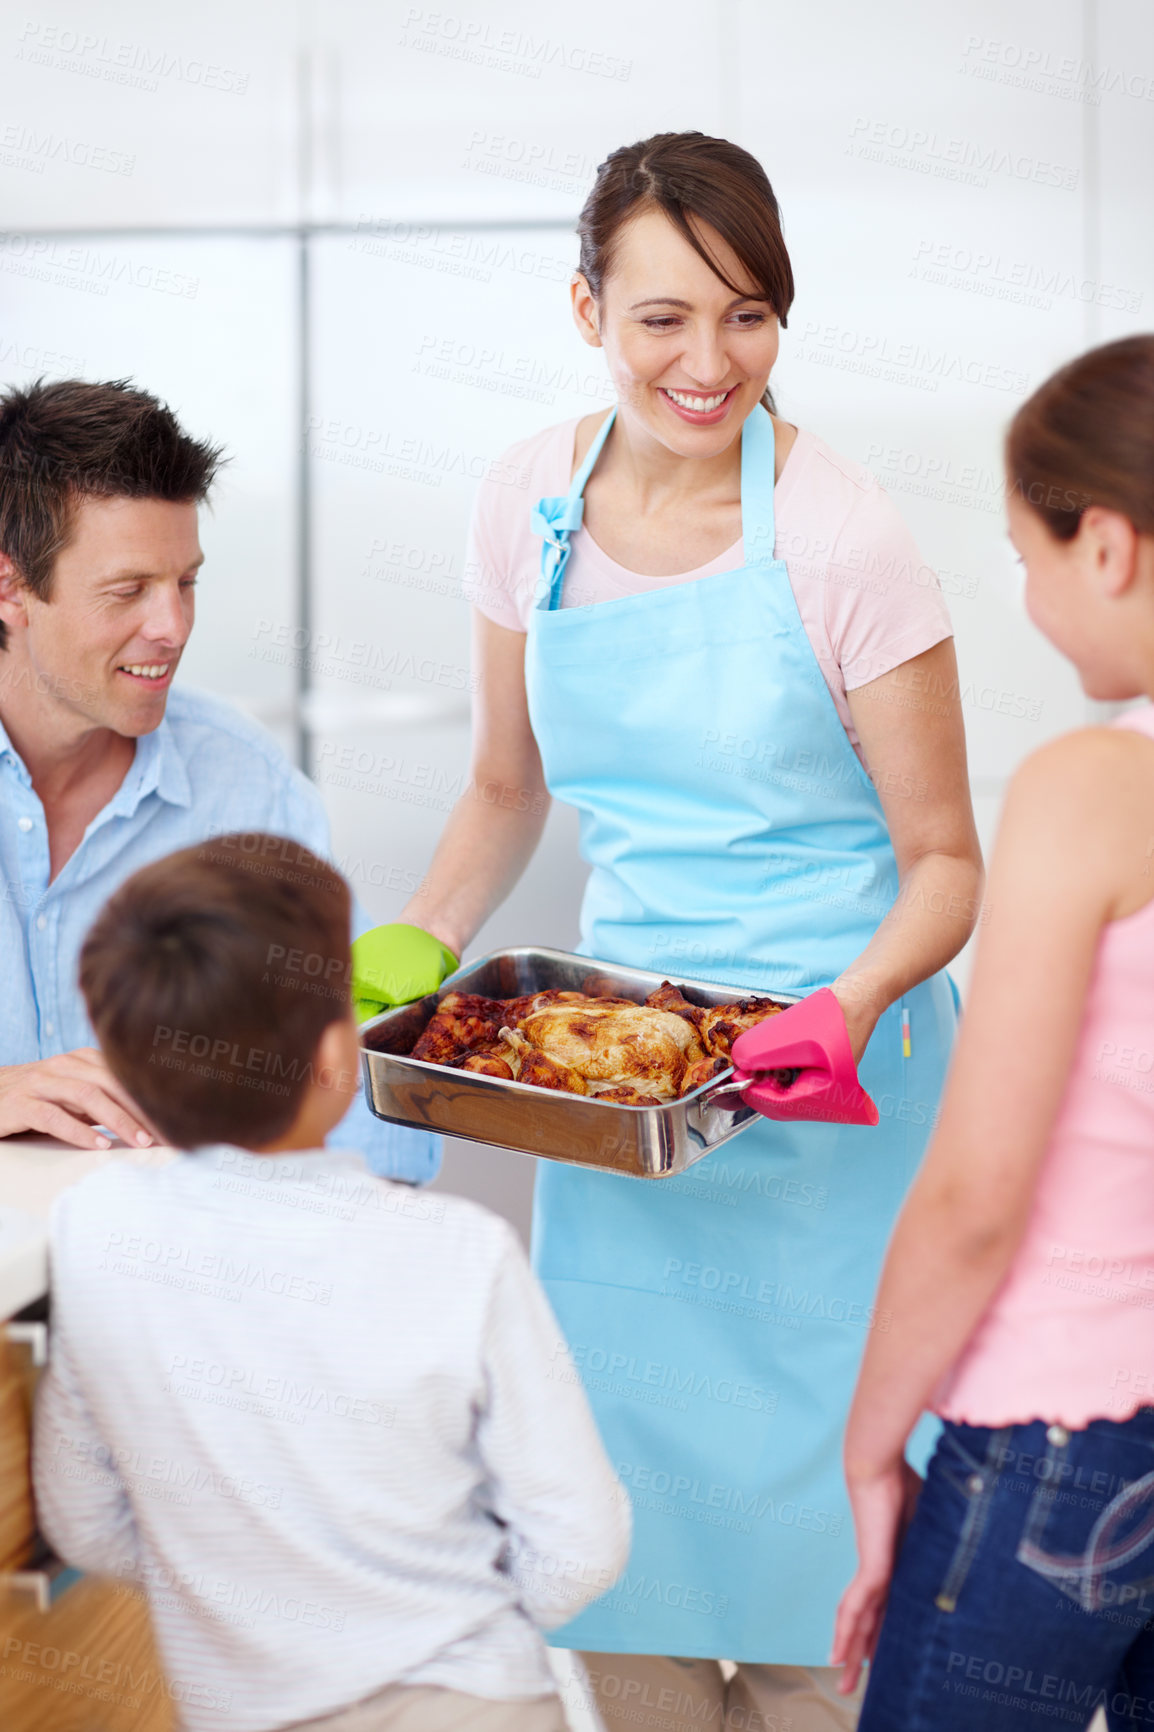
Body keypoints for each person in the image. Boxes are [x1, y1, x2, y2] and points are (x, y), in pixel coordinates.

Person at [355, 132, 983, 1731]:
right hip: (619, 1106)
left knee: (812, 1600)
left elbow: (942, 863)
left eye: (748, 317)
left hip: (834, 1113)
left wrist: (841, 1006)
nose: (709, 365)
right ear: (585, 310)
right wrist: (411, 954)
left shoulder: (840, 536)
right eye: (661, 320)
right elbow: (505, 787)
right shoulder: (529, 504)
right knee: (618, 1563)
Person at [33, 834, 630, 1732]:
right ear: (337, 1055)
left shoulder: (94, 1233)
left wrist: (239, 1601)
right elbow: (579, 1547)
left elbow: (83, 1525)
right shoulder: (460, 1255)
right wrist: (439, 1615)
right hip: (469, 1698)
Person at [831, 333, 1154, 1729]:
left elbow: (975, 1194)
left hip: (1059, 1445)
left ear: (1105, 545)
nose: (1024, 600)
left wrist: (866, 1445)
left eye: (1024, 559)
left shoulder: (1090, 788)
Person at [0, 376, 432, 1179]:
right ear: (11, 587)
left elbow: (372, 1126)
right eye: (128, 590)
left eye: (186, 581)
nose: (172, 628)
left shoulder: (245, 787)